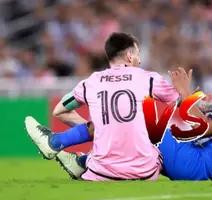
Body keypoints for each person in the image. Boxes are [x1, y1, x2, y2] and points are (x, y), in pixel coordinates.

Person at [28, 43, 212, 180]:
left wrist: (186, 94)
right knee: (140, 121)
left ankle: (58, 143)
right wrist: (192, 101)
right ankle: (81, 161)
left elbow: (205, 129)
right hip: (209, 167)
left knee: (133, 114)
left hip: (199, 164)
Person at [25, 32, 179, 181]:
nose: (139, 61)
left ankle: (64, 149)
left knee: (108, 131)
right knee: (156, 135)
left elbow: (59, 111)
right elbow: (182, 101)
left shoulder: (91, 82)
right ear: (130, 56)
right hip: (145, 172)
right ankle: (77, 159)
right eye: (138, 54)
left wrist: (97, 130)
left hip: (102, 173)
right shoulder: (149, 79)